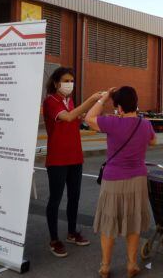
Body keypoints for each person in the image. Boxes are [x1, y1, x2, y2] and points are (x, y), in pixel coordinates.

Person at [85, 86, 156, 278]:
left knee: (109, 223)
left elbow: (88, 118)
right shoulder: (145, 124)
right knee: (133, 222)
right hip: (138, 179)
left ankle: (105, 266)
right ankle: (132, 264)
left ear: (119, 107)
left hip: (113, 180)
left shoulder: (111, 122)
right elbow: (153, 142)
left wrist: (104, 98)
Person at [43, 67, 103, 257]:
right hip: (57, 159)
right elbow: (68, 117)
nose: (70, 84)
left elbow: (79, 117)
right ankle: (54, 239)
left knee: (74, 197)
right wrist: (92, 99)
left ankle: (71, 232)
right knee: (55, 199)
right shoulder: (51, 102)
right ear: (56, 83)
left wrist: (101, 101)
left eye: (72, 81)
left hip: (75, 157)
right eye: (66, 80)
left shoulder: (70, 101)